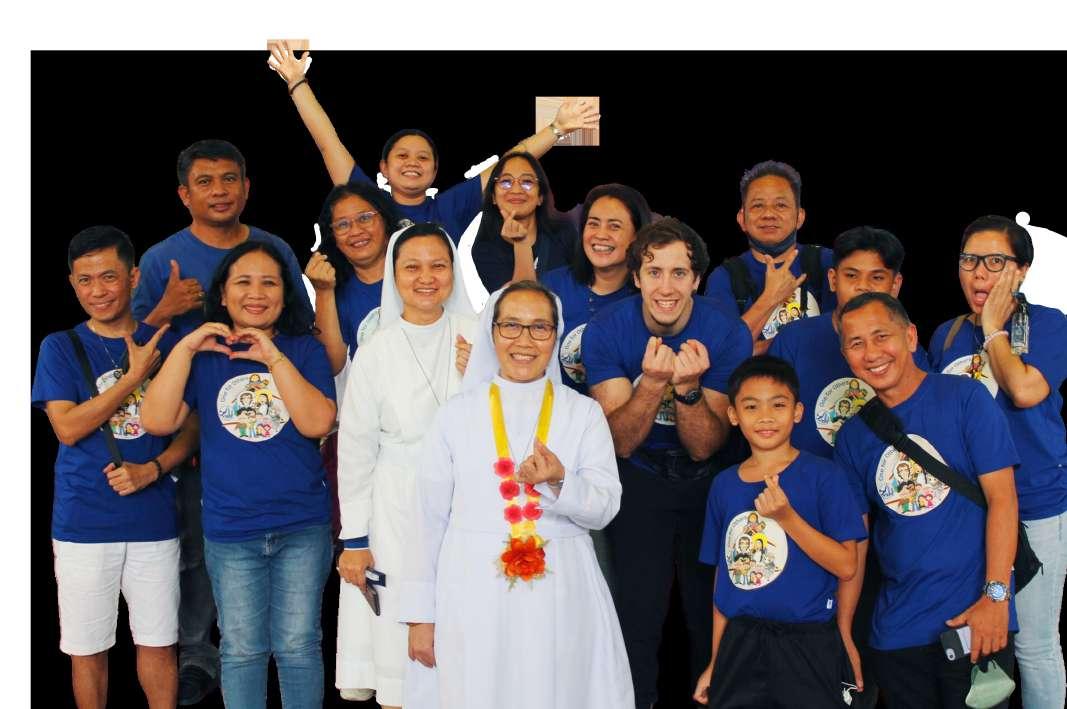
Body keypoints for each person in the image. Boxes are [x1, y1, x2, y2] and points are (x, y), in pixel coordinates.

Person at [131, 138, 313, 705]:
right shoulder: (162, 259)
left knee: (295, 635)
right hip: (192, 414)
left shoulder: (274, 247)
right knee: (197, 554)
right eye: (205, 182)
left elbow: (302, 327)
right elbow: (134, 351)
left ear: (247, 187)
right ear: (184, 194)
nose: (219, 191)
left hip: (273, 427)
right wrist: (166, 312)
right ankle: (197, 656)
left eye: (229, 179)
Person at [398, 281, 632, 708]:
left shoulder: (583, 412)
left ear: (555, 335)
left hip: (563, 591)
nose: (524, 341)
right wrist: (419, 617)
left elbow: (604, 509)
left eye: (539, 327)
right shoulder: (455, 414)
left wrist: (560, 481)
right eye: (511, 326)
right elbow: (426, 520)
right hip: (473, 588)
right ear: (492, 332)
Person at [141, 241, 336, 709]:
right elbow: (157, 421)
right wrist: (186, 347)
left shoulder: (303, 349)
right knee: (242, 649)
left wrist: (272, 357)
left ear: (285, 295)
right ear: (223, 296)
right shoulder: (206, 356)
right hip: (231, 531)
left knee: (298, 645)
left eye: (269, 282)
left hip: (302, 526)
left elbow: (317, 423)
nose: (257, 293)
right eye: (243, 282)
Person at [581, 218, 752, 708]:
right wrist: (653, 385)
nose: (666, 287)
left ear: (697, 279)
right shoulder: (607, 330)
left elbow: (705, 447)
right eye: (654, 272)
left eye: (679, 273)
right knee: (637, 613)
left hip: (707, 482)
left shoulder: (726, 332)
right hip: (639, 478)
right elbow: (620, 444)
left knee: (706, 613)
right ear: (636, 277)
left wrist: (689, 389)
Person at [32, 226, 199, 709]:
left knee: (160, 645)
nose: (98, 291)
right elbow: (67, 428)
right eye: (85, 280)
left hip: (154, 522)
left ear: (133, 277)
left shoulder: (165, 342)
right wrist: (133, 377)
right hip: (83, 524)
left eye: (109, 277)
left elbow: (192, 427)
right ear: (72, 284)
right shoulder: (60, 346)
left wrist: (155, 467)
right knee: (88, 651)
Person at [834, 292, 1020, 709]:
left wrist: (996, 598)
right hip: (897, 635)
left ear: (911, 337)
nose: (871, 353)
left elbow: (1004, 500)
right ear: (845, 356)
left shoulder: (966, 399)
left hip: (976, 621)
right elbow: (855, 544)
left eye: (881, 336)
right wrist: (844, 631)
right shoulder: (853, 437)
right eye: (856, 343)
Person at [334, 223, 478, 706]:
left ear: (454, 272)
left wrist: (481, 377)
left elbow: (509, 423)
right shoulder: (376, 350)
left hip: (468, 503)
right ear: (394, 276)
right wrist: (355, 539)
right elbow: (356, 451)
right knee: (397, 644)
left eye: (438, 265)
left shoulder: (479, 337)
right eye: (412, 267)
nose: (426, 278)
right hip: (396, 505)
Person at [929, 215, 1067, 709]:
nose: (979, 273)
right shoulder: (945, 335)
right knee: (976, 637)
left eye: (995, 262)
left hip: (1033, 506)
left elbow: (1025, 391)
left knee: (1033, 644)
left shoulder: (1049, 324)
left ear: (1022, 270)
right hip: (967, 511)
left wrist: (992, 329)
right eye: (970, 260)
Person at [266, 41, 599, 242]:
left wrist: (557, 128)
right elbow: (328, 143)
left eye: (423, 158)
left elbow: (510, 165)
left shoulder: (449, 208)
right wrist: (297, 82)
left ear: (435, 171)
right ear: (384, 168)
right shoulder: (368, 201)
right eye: (402, 156)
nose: (413, 162)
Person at [693, 356, 865, 707]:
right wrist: (716, 661)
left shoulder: (824, 476)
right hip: (740, 645)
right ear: (733, 415)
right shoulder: (724, 485)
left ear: (798, 412)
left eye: (778, 405)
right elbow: (725, 580)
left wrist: (787, 518)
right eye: (751, 406)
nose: (766, 417)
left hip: (808, 644)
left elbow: (847, 565)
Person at [769, 226, 929, 458]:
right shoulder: (793, 339)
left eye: (877, 277)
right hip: (807, 476)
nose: (863, 286)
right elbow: (769, 416)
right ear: (833, 280)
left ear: (895, 285)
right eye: (851, 276)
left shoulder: (907, 347)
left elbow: (925, 424)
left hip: (879, 477)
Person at [705, 160, 836, 354]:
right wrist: (771, 296)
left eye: (781, 205)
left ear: (800, 217)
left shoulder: (828, 263)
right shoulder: (723, 278)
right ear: (742, 219)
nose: (768, 214)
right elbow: (721, 354)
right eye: (758, 205)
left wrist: (757, 348)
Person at [542, 183, 652, 396]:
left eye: (614, 226)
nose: (601, 235)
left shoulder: (650, 298)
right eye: (593, 224)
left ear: (637, 236)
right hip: (554, 412)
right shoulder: (551, 286)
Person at [304, 181, 403, 374]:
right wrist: (323, 292)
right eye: (342, 224)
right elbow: (331, 366)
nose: (356, 231)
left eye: (365, 218)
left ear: (386, 221)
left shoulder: (418, 273)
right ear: (333, 237)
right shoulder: (338, 294)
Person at [470, 151, 578, 293]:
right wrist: (521, 244)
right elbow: (522, 301)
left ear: (540, 197)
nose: (516, 189)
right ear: (493, 197)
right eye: (506, 182)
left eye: (527, 182)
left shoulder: (565, 233)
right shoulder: (484, 250)